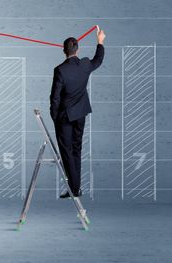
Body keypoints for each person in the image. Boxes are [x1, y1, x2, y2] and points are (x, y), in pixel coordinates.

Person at [50, 26, 106, 198]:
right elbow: (98, 60)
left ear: (63, 51)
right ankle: (76, 188)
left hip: (65, 118)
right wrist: (100, 41)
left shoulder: (60, 70)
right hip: (80, 114)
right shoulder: (85, 64)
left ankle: (74, 188)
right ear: (77, 50)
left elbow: (55, 99)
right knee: (76, 150)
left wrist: (55, 118)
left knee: (67, 152)